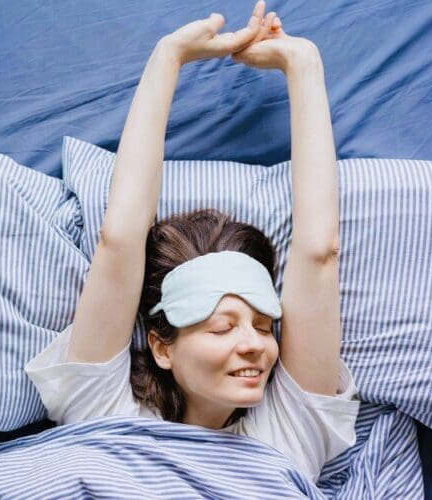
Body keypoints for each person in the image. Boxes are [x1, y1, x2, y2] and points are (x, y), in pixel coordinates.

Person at [25, 1, 360, 484]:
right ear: (161, 347)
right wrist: (168, 56)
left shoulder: (292, 432)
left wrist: (304, 64)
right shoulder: (105, 411)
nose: (254, 345)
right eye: (223, 328)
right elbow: (118, 239)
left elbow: (319, 253)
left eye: (265, 327)